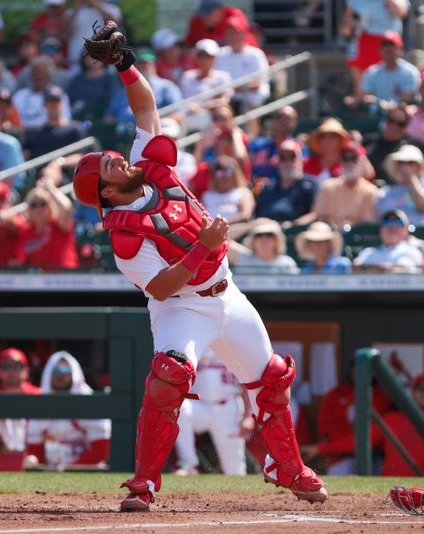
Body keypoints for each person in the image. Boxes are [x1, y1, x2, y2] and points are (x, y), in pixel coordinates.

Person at [71, 34, 327, 510]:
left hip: (227, 294)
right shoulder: (124, 234)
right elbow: (161, 285)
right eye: (107, 166)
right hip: (181, 306)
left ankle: (286, 467)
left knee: (271, 381)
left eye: (112, 157)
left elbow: (145, 105)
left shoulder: (152, 167)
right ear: (105, 192)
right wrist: (201, 248)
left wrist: (125, 63)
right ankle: (145, 483)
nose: (117, 158)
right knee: (169, 375)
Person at [299, 359, 392, 475]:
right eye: (355, 367)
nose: (358, 371)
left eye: (364, 368)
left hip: (374, 455)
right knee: (340, 469)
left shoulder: (381, 397)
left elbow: (368, 440)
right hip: (340, 455)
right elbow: (326, 435)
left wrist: (321, 448)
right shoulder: (335, 395)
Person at [26, 351, 112, 469]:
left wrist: (70, 468)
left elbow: (101, 451)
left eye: (65, 371)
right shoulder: (40, 405)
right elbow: (35, 449)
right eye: (55, 371)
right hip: (49, 472)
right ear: (48, 374)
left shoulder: (89, 403)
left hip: (86, 472)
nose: (60, 375)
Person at [174, 350, 252, 475]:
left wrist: (248, 417)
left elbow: (247, 385)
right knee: (180, 408)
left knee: (234, 469)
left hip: (227, 408)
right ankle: (189, 465)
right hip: (199, 406)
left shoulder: (232, 346)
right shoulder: (194, 347)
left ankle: (238, 484)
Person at [341, 0, 410, 101]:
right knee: (361, 87)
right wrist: (351, 23)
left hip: (388, 39)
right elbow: (345, 29)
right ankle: (365, 110)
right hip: (363, 39)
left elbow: (402, 12)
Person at [306, 141, 379, 228]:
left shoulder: (371, 191)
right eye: (345, 158)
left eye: (353, 158)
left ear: (361, 161)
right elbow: (319, 216)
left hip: (357, 238)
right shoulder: (327, 187)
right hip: (331, 237)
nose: (349, 163)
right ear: (341, 162)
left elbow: (367, 224)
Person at [375, 144, 424, 226]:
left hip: (422, 234)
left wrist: (411, 177)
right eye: (401, 162)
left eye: (411, 163)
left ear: (419, 166)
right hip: (394, 234)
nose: (405, 166)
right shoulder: (385, 192)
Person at [253, 139, 318, 223]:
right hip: (265, 231)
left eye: (292, 157)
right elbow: (257, 214)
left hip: (296, 232)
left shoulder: (310, 185)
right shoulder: (268, 187)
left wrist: (295, 224)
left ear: (300, 159)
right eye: (283, 158)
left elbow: (316, 213)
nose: (287, 162)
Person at [214, 17, 270, 112]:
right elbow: (215, 82)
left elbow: (256, 84)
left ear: (244, 34)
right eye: (230, 33)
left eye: (236, 33)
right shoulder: (220, 54)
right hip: (227, 101)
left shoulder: (256, 54)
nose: (233, 37)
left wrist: (230, 88)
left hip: (251, 100)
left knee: (249, 109)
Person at [21, 178, 78, 271]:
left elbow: (66, 207)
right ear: (28, 210)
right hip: (38, 282)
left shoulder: (58, 225)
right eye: (33, 205)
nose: (38, 209)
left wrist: (50, 189)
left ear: (51, 206)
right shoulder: (25, 231)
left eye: (43, 204)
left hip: (65, 279)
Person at [179, 39, 233, 132]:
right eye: (201, 55)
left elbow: (224, 101)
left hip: (210, 116)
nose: (205, 59)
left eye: (209, 56)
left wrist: (200, 106)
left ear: (215, 58)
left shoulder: (222, 77)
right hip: (187, 114)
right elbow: (180, 99)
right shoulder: (187, 76)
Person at [23, 86, 85, 160]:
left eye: (56, 101)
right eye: (50, 101)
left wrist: (59, 163)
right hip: (38, 169)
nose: (53, 105)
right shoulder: (33, 131)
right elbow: (25, 156)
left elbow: (80, 156)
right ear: (44, 104)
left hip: (64, 169)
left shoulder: (75, 129)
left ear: (63, 104)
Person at [358, 32, 420, 105]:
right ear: (380, 49)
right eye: (385, 45)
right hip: (376, 114)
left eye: (392, 44)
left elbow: (407, 98)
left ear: (400, 49)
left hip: (401, 113)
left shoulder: (410, 72)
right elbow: (365, 95)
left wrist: (383, 104)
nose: (388, 48)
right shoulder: (371, 72)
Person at [353, 209, 423, 273]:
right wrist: (376, 268)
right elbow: (355, 268)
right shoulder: (368, 252)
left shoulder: (412, 251)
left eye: (398, 222)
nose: (392, 226)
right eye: (387, 222)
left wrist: (387, 269)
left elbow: (411, 273)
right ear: (380, 229)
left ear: (405, 231)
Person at [13, 56, 71, 129]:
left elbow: (65, 119)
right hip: (24, 135)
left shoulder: (57, 95)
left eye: (41, 73)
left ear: (49, 75)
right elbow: (14, 121)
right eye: (35, 73)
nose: (38, 76)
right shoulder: (20, 95)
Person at [63, 0, 122, 69]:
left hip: (105, 58)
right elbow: (64, 32)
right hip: (77, 60)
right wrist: (77, 6)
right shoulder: (70, 12)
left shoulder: (112, 9)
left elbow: (116, 25)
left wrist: (96, 5)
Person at [227, 219, 300, 275]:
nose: (264, 239)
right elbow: (221, 239)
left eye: (269, 235)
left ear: (277, 240)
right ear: (253, 240)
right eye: (259, 235)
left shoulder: (286, 263)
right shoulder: (243, 256)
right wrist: (251, 225)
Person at [248, 105, 299, 180]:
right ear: (272, 121)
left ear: (294, 122)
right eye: (279, 117)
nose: (283, 121)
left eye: (288, 118)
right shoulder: (256, 145)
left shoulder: (299, 148)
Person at [365, 103, 411, 184]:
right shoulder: (368, 140)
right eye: (391, 120)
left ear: (405, 127)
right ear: (385, 120)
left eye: (400, 124)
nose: (394, 126)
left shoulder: (407, 148)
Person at [201, 155, 254, 223]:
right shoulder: (206, 196)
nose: (224, 176)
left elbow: (245, 215)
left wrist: (221, 225)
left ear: (235, 174)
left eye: (228, 170)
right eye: (219, 171)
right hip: (212, 232)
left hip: (237, 229)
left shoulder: (243, 193)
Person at [184, 0, 257, 49]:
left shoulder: (233, 16)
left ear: (220, 10)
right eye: (203, 14)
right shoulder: (196, 20)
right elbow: (188, 46)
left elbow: (246, 46)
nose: (204, 17)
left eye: (209, 14)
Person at [302, 118, 352, 183]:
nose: (328, 139)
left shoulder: (349, 165)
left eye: (333, 136)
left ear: (340, 140)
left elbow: (368, 173)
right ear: (319, 140)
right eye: (323, 136)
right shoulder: (306, 165)